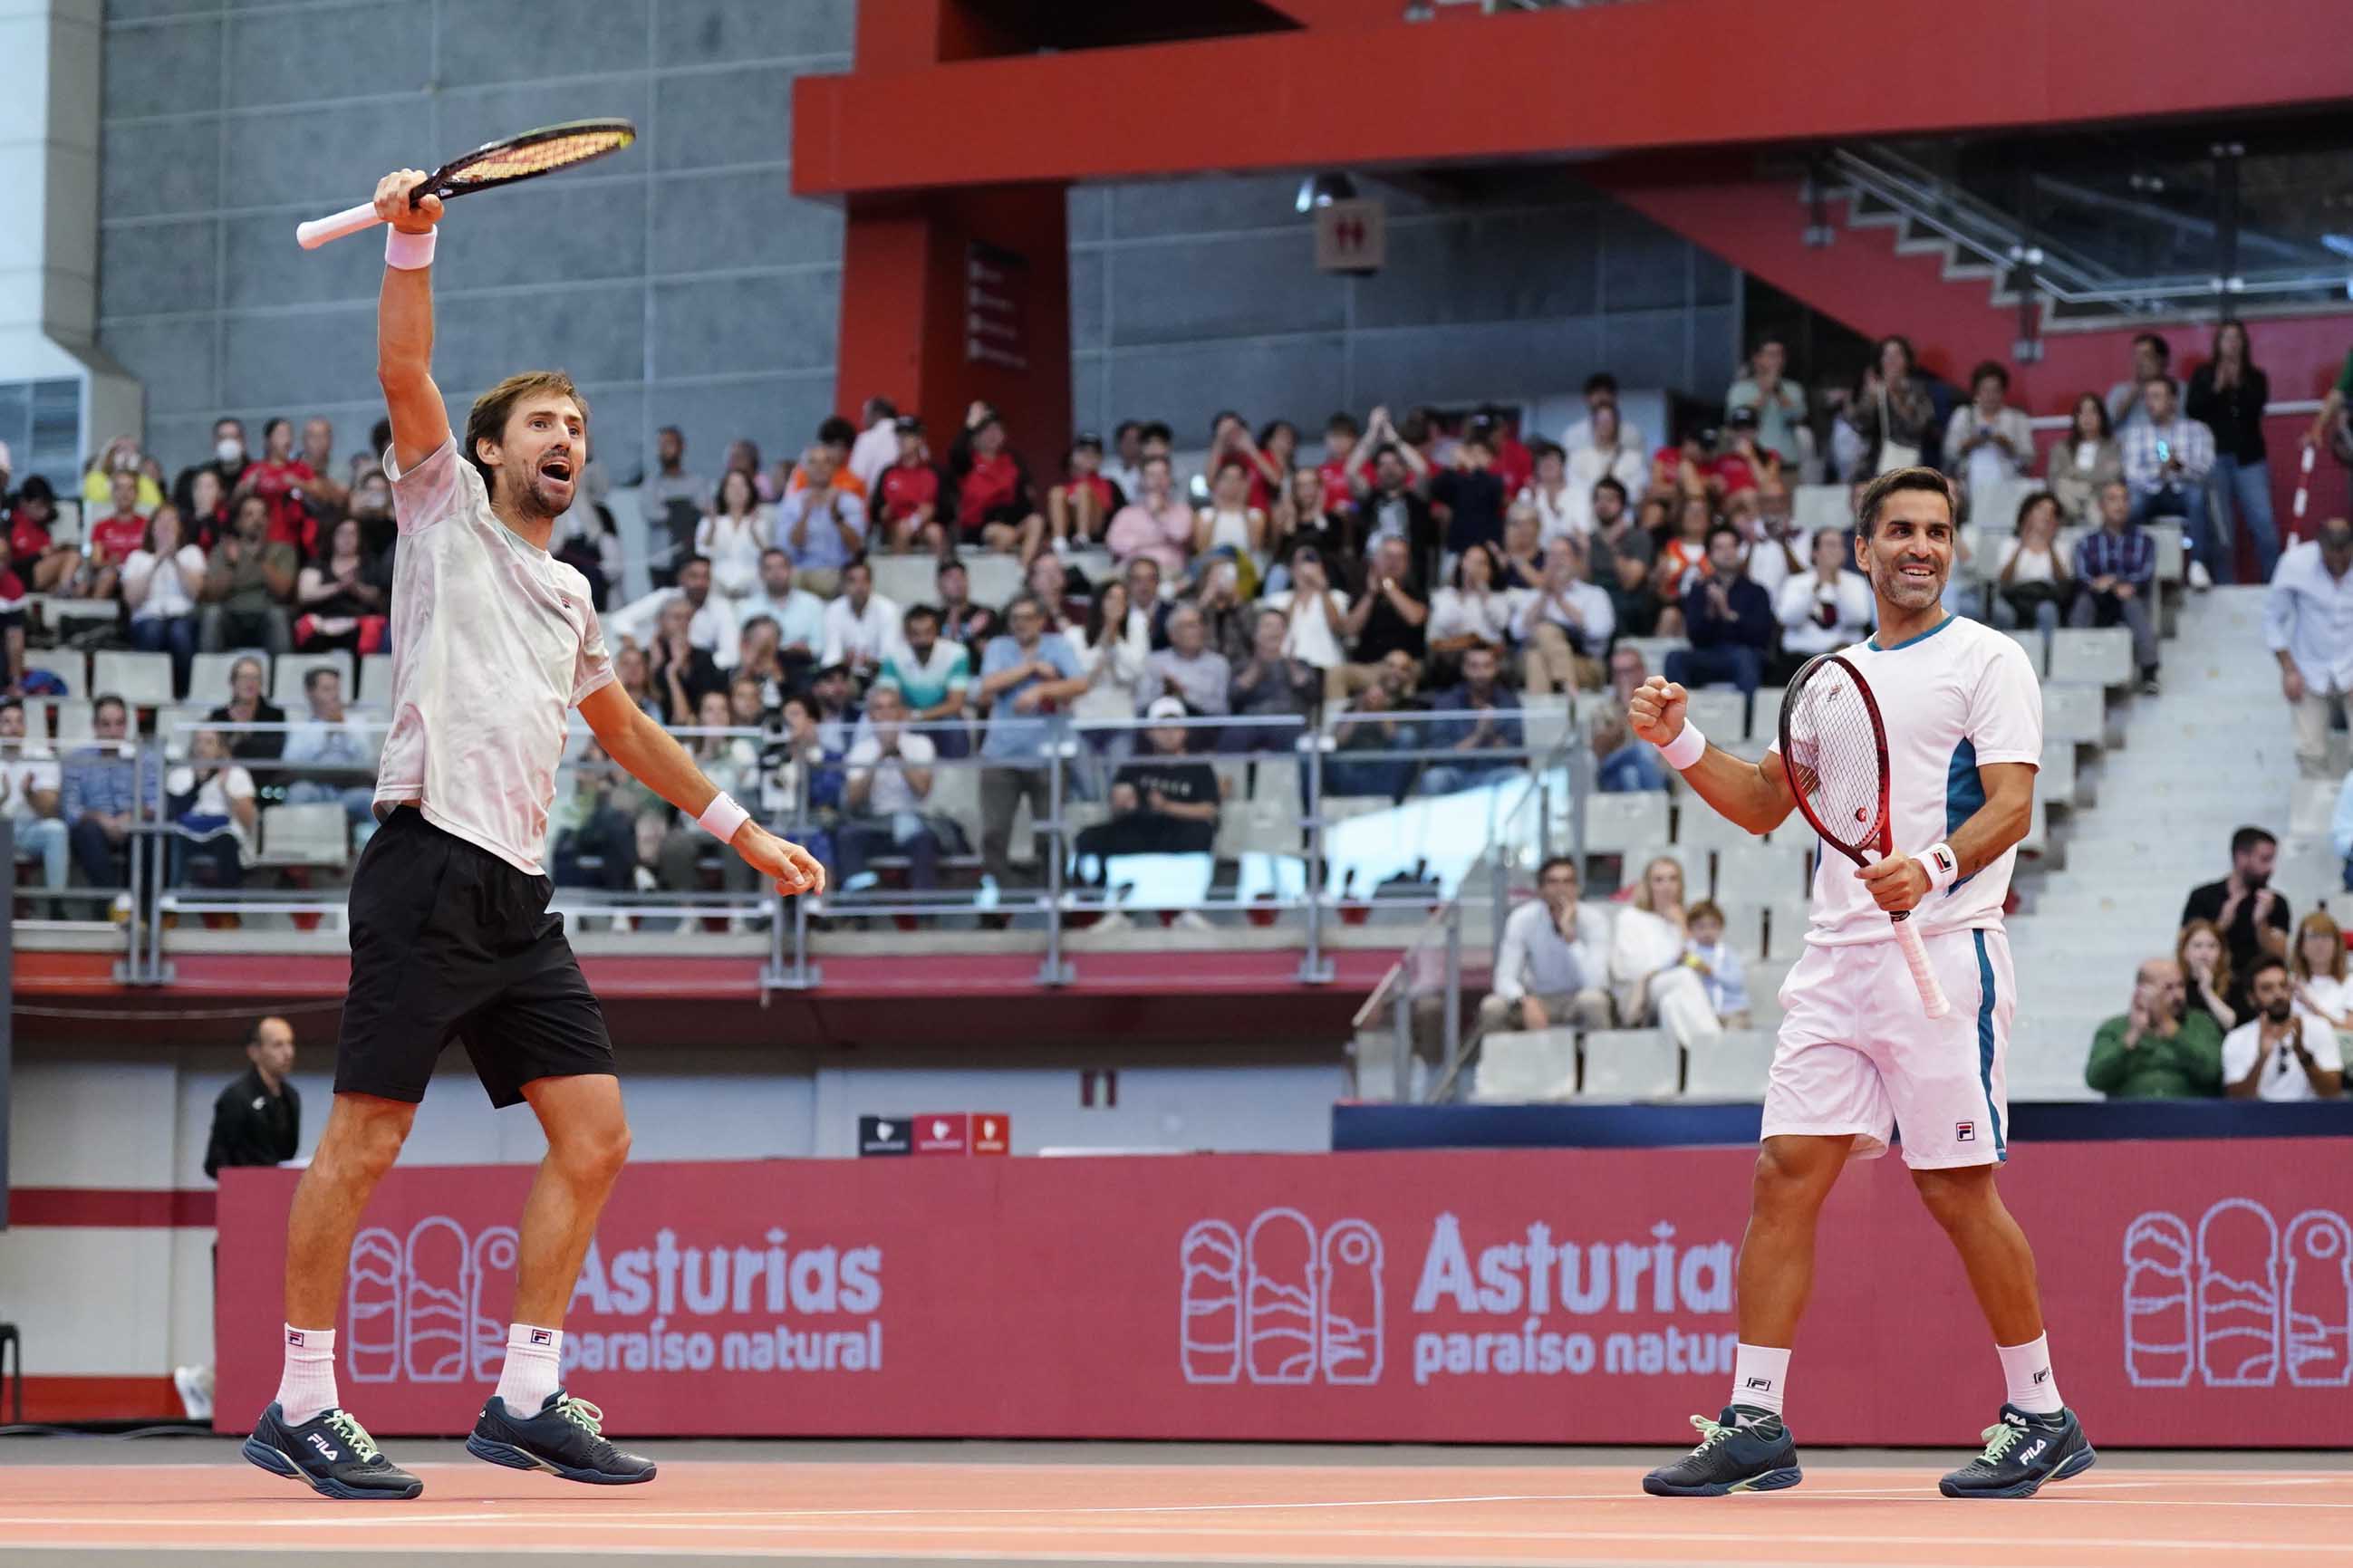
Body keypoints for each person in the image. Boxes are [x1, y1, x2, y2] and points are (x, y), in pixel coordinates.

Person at [241, 169, 825, 1503]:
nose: (570, 437)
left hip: (516, 894)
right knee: (367, 1142)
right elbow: (405, 362)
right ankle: (303, 1398)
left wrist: (744, 830)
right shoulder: (442, 510)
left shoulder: (570, 593)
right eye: (546, 423)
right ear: (493, 449)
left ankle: (520, 1393)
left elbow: (623, 731)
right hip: (426, 862)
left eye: (581, 425)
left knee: (596, 1133)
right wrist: (410, 233)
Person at [1631, 467, 2088, 1500]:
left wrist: (1928, 867)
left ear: (1952, 546)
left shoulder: (1988, 660)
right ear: (1863, 548)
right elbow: (1759, 803)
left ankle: (2042, 1412)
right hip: (1834, 960)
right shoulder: (1828, 680)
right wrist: (1677, 742)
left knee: (1952, 1186)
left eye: (1934, 530)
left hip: (1944, 951)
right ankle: (1754, 1420)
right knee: (1782, 1175)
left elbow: (2010, 807)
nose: (1917, 546)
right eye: (1897, 530)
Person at [975, 593, 1087, 888]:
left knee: (1048, 832)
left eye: (1027, 618)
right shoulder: (999, 647)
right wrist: (1030, 669)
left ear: (1041, 620)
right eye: (1015, 619)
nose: (1020, 624)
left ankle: (1055, 900)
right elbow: (987, 685)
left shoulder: (1058, 645)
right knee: (993, 833)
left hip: (1047, 755)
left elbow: (1079, 683)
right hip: (1001, 755)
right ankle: (1004, 899)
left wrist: (1040, 691)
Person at [2185, 320, 2280, 584]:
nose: (2232, 343)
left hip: (2250, 460)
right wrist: (2217, 387)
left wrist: (2237, 383)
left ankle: (2273, 584)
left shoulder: (2256, 377)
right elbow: (2193, 410)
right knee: (2222, 531)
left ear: (2244, 343)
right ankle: (2227, 589)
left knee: (2265, 526)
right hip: (2214, 460)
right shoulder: (2203, 375)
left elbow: (2256, 409)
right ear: (2218, 343)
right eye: (2226, 338)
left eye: (2237, 338)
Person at [2263, 515, 2353, 779]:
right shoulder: (2295, 564)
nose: (2337, 563)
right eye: (2331, 557)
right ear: (2320, 548)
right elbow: (2272, 619)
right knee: (2310, 753)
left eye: (2344, 557)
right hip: (2309, 665)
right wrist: (2288, 669)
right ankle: (2315, 817)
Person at [1480, 855, 1611, 1034]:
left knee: (1593, 1001)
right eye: (1553, 882)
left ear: (1577, 888)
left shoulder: (1594, 920)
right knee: (1492, 1007)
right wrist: (1524, 1000)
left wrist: (1571, 939)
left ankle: (1600, 1062)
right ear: (1541, 889)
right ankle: (1508, 1062)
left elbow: (1597, 982)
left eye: (1567, 882)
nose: (1561, 889)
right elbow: (1504, 978)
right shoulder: (1522, 919)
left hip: (1578, 998)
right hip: (1537, 998)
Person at [834, 680, 942, 892]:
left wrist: (898, 754)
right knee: (847, 837)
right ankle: (862, 907)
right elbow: (854, 800)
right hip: (876, 824)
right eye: (879, 708)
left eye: (892, 706)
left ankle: (924, 913)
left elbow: (922, 791)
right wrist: (878, 758)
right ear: (871, 715)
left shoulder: (921, 744)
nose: (886, 714)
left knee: (925, 841)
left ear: (901, 712)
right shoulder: (860, 751)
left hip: (913, 819)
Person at [1607, 855, 1722, 1047]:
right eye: (1659, 880)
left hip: (1674, 990)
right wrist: (1673, 962)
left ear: (1680, 884)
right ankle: (1718, 1046)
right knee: (1683, 976)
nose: (1667, 886)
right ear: (1648, 885)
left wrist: (1682, 926)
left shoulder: (1686, 920)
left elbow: (1704, 964)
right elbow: (1631, 968)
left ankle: (1695, 1060)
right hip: (1638, 991)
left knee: (1671, 1004)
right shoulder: (1630, 917)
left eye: (1673, 879)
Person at [2118, 374, 2218, 582]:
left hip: (2183, 490)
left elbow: (2206, 469)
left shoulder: (2197, 430)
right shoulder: (2136, 434)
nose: (2149, 403)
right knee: (2131, 504)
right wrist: (2159, 472)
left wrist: (2180, 467)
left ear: (2173, 400)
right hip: (2149, 491)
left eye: (2156, 396)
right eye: (2147, 397)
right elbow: (2131, 473)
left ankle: (2198, 566)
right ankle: (2131, 566)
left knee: (2197, 498)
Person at [63, 695, 165, 895]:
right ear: (95, 727)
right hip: (94, 828)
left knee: (152, 833)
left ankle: (143, 910)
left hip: (134, 822)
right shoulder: (76, 759)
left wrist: (132, 815)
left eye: (119, 724)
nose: (113, 732)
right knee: (87, 832)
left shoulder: (145, 757)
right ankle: (113, 905)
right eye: (106, 725)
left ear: (127, 726)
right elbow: (70, 809)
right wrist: (100, 818)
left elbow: (155, 803)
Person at [2083, 959, 2223, 1100]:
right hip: (2130, 1117)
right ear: (2143, 991)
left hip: (2190, 1116)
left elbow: (2211, 1072)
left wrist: (2169, 1027)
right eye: (2169, 988)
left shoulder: (2201, 1023)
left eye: (2181, 986)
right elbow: (2095, 1080)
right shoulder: (2114, 1028)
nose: (2178, 995)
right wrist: (2133, 1036)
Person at [2070, 480, 2161, 695]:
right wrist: (2105, 584)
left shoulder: (2145, 541)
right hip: (2097, 599)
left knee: (2132, 604)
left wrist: (2119, 583)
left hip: (2128, 596)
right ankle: (2072, 662)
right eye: (2112, 499)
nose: (2119, 505)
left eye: (2124, 499)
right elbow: (2082, 575)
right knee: (2083, 602)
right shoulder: (2086, 542)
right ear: (2101, 506)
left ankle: (2149, 673)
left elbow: (2144, 573)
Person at [1665, 524, 1774, 697]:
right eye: (1719, 547)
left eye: (1732, 546)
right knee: (1675, 658)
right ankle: (1678, 720)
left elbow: (1761, 636)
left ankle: (1748, 721)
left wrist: (1727, 613)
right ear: (1709, 555)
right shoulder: (1699, 589)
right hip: (1709, 655)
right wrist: (1710, 610)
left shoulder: (1757, 591)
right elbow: (1695, 637)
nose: (1727, 552)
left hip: (1745, 655)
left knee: (1744, 658)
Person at [2180, 826, 2292, 985]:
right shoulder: (2203, 896)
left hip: (2255, 989)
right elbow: (2184, 948)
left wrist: (2261, 923)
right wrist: (2220, 926)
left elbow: (2280, 957)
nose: (2270, 868)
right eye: (2264, 859)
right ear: (2241, 857)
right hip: (2210, 984)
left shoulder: (2275, 902)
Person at [2223, 957, 2345, 1101]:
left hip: (2310, 1116)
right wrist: (2261, 1058)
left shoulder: (2318, 1027)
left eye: (2283, 986)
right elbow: (2236, 1101)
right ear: (2251, 998)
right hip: (2258, 1118)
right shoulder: (2237, 1038)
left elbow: (2332, 1093)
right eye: (2267, 988)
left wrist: (2303, 1054)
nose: (2278, 994)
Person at [1417, 642, 1521, 796]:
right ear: (1464, 669)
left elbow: (1516, 757)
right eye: (1474, 666)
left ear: (1496, 669)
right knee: (1434, 779)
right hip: (1456, 774)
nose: (1480, 673)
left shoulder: (1509, 702)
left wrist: (1491, 735)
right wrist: (1478, 736)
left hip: (1493, 774)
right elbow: (1440, 756)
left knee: (1517, 776)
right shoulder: (1447, 702)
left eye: (1487, 666)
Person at [124, 504, 207, 697]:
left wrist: (175, 560)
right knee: (154, 630)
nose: (166, 525)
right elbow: (132, 600)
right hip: (147, 618)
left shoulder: (191, 554)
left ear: (180, 528)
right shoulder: (137, 557)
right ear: (152, 528)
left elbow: (194, 592)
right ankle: (148, 692)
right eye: (161, 521)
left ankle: (182, 694)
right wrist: (157, 560)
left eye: (172, 521)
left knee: (180, 634)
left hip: (182, 617)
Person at [1511, 537, 1613, 695]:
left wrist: (1559, 598)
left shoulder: (1594, 594)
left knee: (1540, 647)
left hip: (1585, 663)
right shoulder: (1532, 597)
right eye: (1552, 555)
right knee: (1535, 656)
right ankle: (1567, 686)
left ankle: (1541, 716)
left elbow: (1598, 632)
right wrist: (1544, 596)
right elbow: (1517, 632)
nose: (1557, 561)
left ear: (1577, 561)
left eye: (1563, 555)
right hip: (1540, 662)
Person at [198, 495, 297, 654]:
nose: (257, 520)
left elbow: (283, 591)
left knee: (278, 615)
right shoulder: (223, 550)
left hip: (265, 618)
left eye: (262, 515)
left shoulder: (283, 550)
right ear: (239, 523)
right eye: (249, 515)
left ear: (268, 521)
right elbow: (212, 594)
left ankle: (283, 676)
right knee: (212, 614)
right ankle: (208, 675)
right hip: (231, 619)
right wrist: (232, 564)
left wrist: (260, 558)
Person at [206, 1015, 302, 1178]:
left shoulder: (291, 1097)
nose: (288, 1053)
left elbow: (287, 1155)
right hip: (244, 1195)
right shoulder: (235, 1098)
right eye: (278, 1045)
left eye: (290, 1043)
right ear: (254, 1052)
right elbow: (215, 1163)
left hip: (278, 1192)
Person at [0, 696, 68, 909]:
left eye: (19, 721)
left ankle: (56, 905)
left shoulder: (42, 757)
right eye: (7, 722)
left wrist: (29, 793)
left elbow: (51, 810)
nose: (14, 728)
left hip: (29, 829)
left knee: (56, 830)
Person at [1776, 526, 1876, 669]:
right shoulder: (1795, 582)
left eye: (1839, 545)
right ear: (1814, 552)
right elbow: (1787, 618)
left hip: (1845, 659)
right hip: (1800, 659)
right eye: (1830, 545)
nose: (1835, 550)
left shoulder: (1856, 582)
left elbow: (1859, 618)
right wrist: (1815, 588)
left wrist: (1837, 584)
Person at [1943, 361, 2034, 509]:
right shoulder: (1964, 415)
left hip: (2007, 484)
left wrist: (2009, 446)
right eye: (1985, 390)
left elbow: (2029, 458)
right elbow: (1949, 453)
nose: (1990, 396)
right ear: (1976, 392)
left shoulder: (2017, 418)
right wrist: (1968, 445)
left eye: (1995, 390)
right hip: (1968, 486)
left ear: (2003, 392)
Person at [1992, 491, 2074, 649]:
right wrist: (2021, 545)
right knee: (2001, 611)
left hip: (2045, 598)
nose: (2046, 516)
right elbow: (2004, 580)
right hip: (2015, 597)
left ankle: (2046, 659)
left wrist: (2049, 545)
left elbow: (2063, 581)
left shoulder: (2061, 546)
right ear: (2027, 513)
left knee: (2048, 611)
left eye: (2052, 512)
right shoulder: (2010, 543)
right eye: (2041, 509)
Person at [1727, 337, 1809, 469]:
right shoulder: (1739, 389)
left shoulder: (1793, 388)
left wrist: (1778, 391)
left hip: (1787, 463)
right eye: (1771, 355)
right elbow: (1738, 421)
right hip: (1751, 464)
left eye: (1780, 355)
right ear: (1757, 358)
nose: (1778, 360)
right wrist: (1764, 393)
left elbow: (1798, 417)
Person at [2042, 393, 2123, 527]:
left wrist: (2075, 473)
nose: (2087, 418)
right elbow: (2053, 481)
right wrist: (2093, 479)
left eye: (2093, 412)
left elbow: (2113, 476)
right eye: (2082, 413)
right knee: (2062, 486)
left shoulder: (2113, 446)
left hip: (2098, 499)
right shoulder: (2061, 448)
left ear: (2102, 417)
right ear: (2076, 418)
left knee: (2094, 502)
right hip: (2068, 502)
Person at [694, 468, 772, 601]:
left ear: (750, 491)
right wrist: (712, 527)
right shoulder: (709, 521)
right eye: (732, 486)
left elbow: (768, 557)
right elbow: (702, 553)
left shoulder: (760, 522)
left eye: (742, 485)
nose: (738, 490)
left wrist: (754, 532)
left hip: (752, 587)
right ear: (723, 491)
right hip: (717, 586)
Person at [1682, 899, 1752, 1030]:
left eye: (1713, 926)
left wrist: (1711, 971)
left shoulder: (1728, 953)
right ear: (1691, 929)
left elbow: (1737, 981)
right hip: (1703, 1013)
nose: (1708, 932)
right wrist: (1678, 960)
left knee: (1734, 1036)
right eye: (1701, 927)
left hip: (1733, 1011)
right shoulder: (1688, 952)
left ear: (1721, 928)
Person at [207, 654, 288, 764]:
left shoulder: (275, 716)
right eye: (244, 677)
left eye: (255, 678)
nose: (250, 683)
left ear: (261, 684)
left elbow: (272, 754)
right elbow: (211, 753)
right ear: (232, 682)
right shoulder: (218, 716)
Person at [1047, 433, 1122, 552]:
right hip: (1070, 530)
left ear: (1100, 458)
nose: (1088, 456)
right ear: (1073, 456)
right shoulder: (1066, 487)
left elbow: (1120, 514)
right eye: (1083, 452)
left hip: (1098, 530)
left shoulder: (1110, 484)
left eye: (1094, 453)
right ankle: (1059, 541)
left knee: (1083, 489)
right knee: (1056, 492)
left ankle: (1083, 539)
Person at [2290, 910, 2352, 1033]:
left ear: (2337, 945)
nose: (2319, 944)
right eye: (2312, 937)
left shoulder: (2350, 983)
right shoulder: (2288, 982)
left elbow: (2349, 1034)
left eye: (2326, 937)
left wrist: (2310, 1006)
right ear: (2301, 946)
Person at [2177, 919, 2239, 1034]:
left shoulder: (2233, 984)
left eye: (2212, 946)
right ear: (2184, 951)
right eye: (2197, 946)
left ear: (2221, 952)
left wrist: (2207, 991)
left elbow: (2233, 1024)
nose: (2204, 952)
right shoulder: (2176, 985)